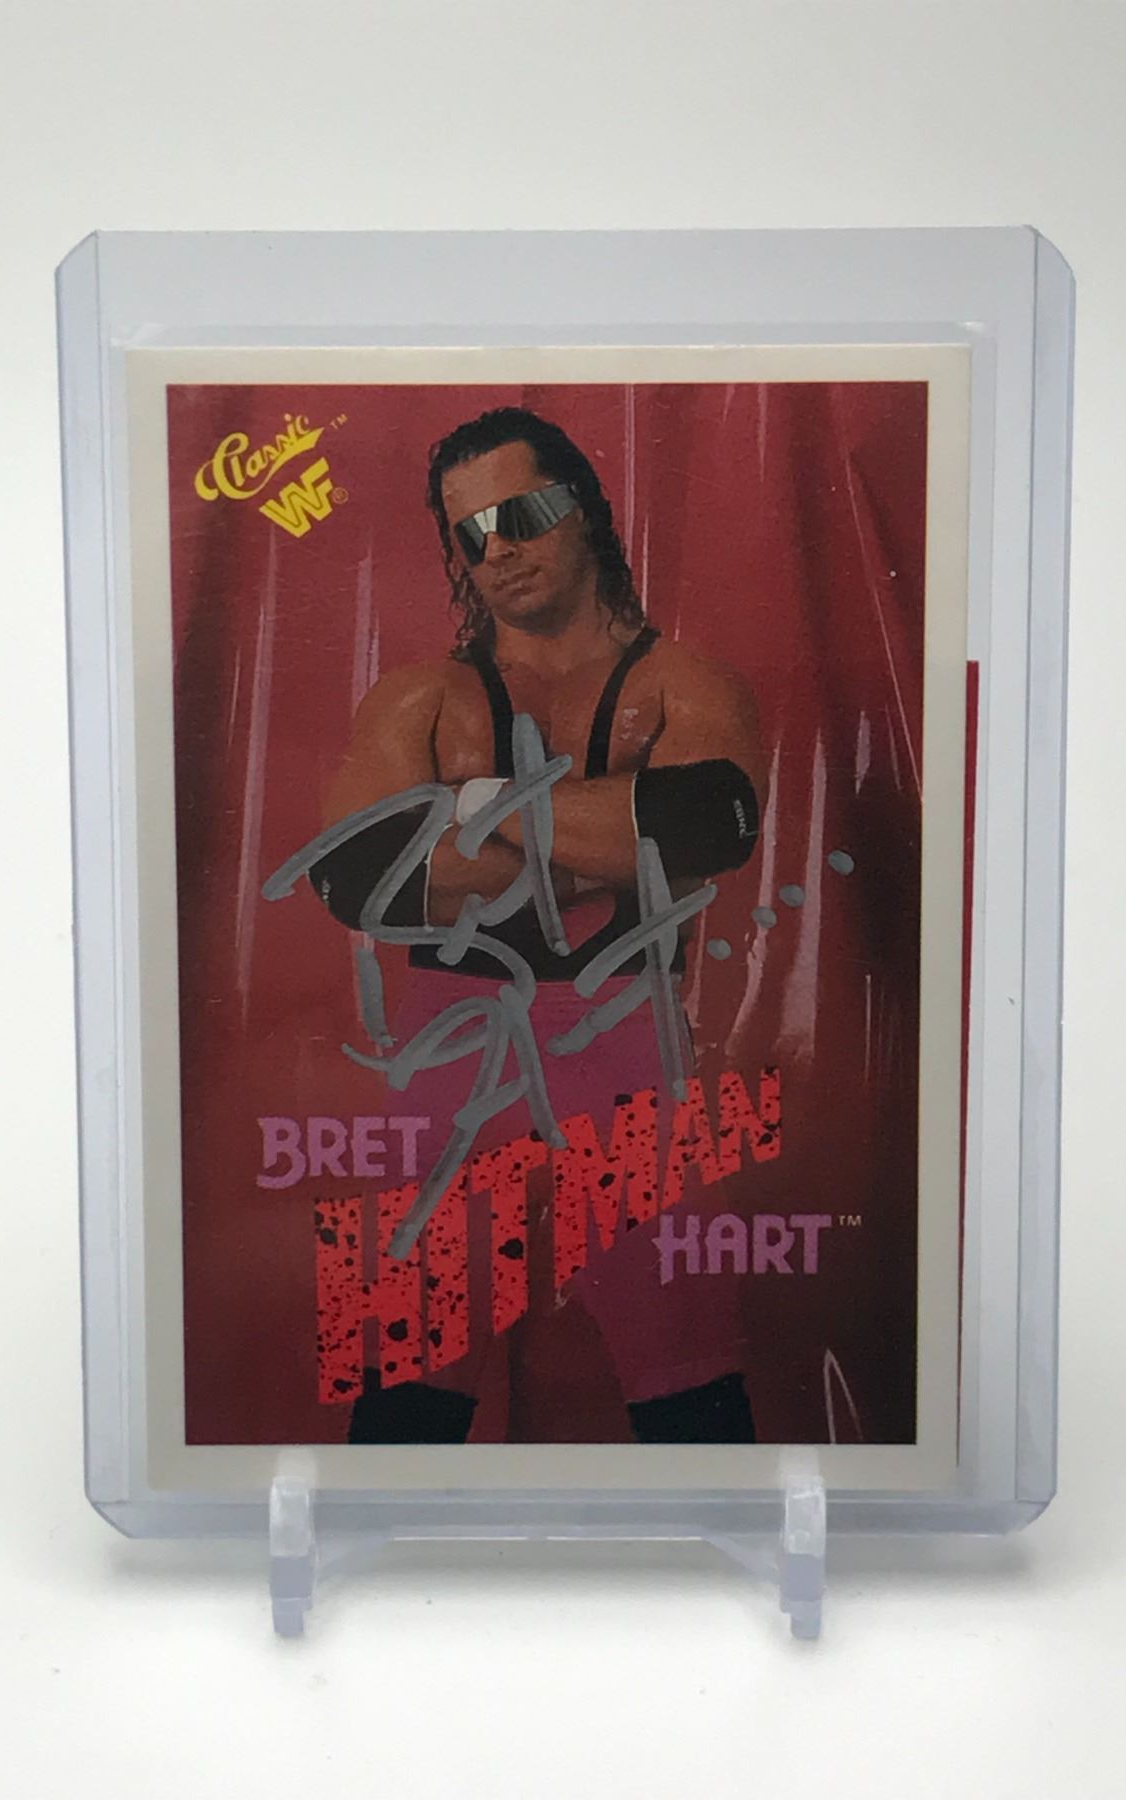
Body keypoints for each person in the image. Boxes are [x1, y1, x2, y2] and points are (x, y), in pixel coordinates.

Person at [313, 405, 766, 1444]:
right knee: (403, 1385)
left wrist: (473, 808)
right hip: (454, 1045)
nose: (498, 551)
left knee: (693, 1392)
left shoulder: (684, 682)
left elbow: (710, 823)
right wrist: (604, 834)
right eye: (470, 533)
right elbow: (356, 876)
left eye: (519, 515)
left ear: (585, 508)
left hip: (625, 1042)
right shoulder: (421, 697)